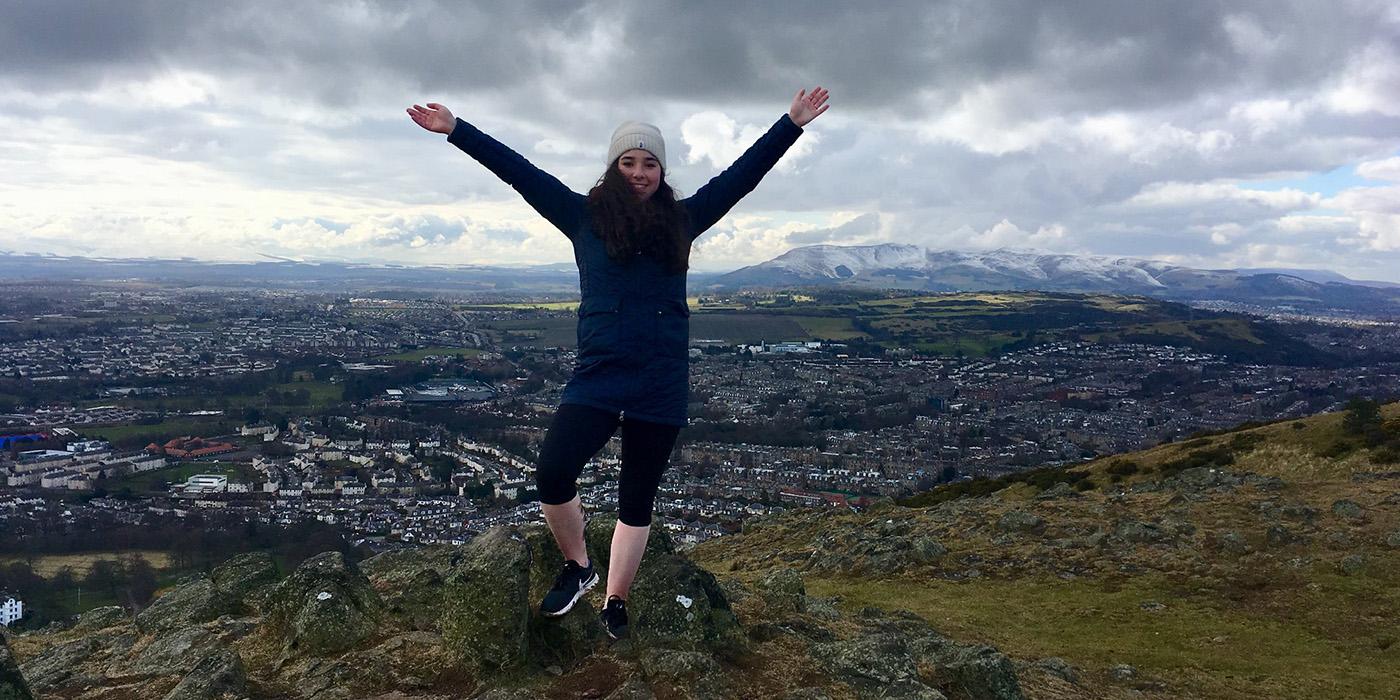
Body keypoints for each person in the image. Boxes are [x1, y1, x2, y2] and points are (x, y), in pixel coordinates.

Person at [407, 87, 829, 640]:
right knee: (553, 471)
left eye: (649, 163)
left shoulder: (683, 219)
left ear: (660, 171)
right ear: (613, 168)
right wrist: (457, 129)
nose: (638, 171)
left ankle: (616, 599)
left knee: (637, 499)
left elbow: (741, 177)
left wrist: (790, 124)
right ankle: (579, 566)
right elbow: (520, 172)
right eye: (628, 162)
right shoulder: (582, 217)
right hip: (599, 375)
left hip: (659, 379)